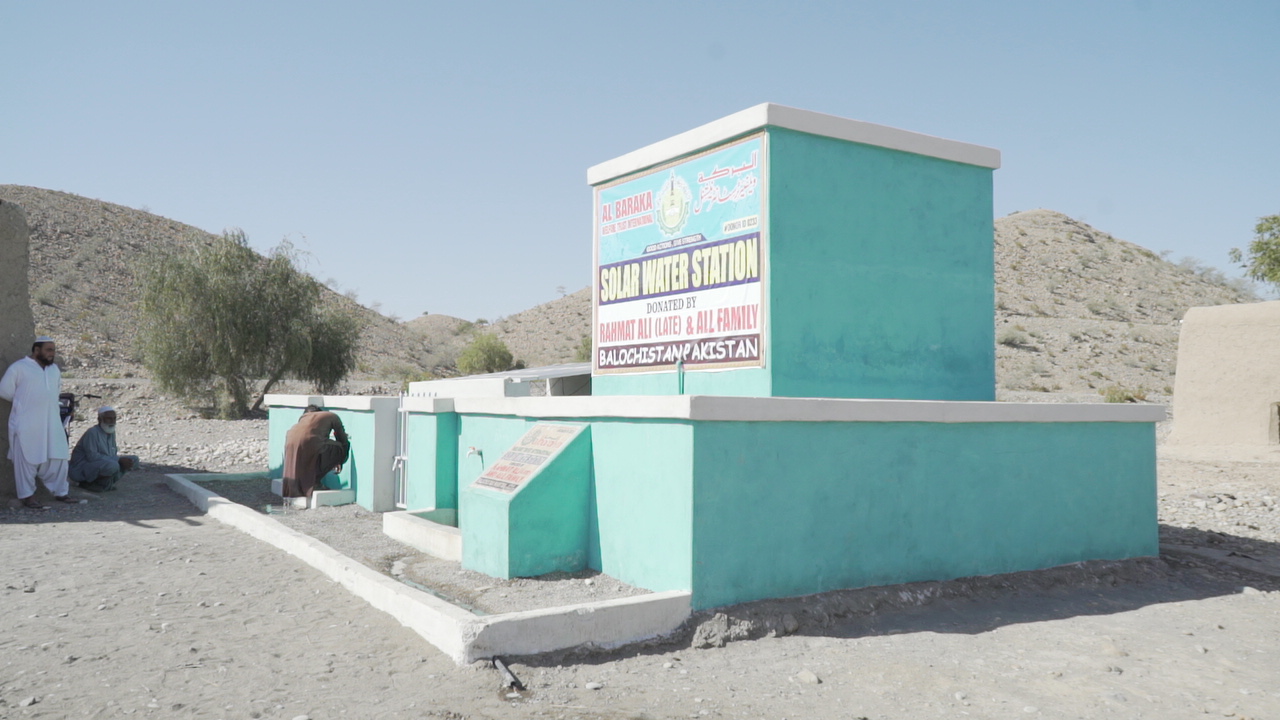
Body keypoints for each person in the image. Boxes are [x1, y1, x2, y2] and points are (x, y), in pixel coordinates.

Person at [0, 336, 80, 509]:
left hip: (51, 423)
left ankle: (61, 493)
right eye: (48, 350)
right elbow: (5, 390)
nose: (52, 353)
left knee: (58, 456)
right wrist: (24, 403)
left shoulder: (54, 371)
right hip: (26, 423)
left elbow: (56, 391)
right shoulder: (19, 368)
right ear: (36, 350)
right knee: (26, 461)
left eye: (53, 350)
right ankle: (28, 496)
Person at [282, 405, 349, 499]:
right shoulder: (331, 416)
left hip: (290, 444)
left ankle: (302, 484)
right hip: (311, 443)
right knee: (339, 447)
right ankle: (314, 483)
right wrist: (341, 458)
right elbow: (342, 438)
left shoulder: (302, 420)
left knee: (307, 454)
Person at [70, 406, 140, 492]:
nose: (112, 421)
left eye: (114, 419)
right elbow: (92, 457)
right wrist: (118, 460)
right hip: (81, 467)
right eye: (109, 419)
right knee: (113, 465)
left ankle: (106, 484)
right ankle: (88, 483)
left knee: (134, 460)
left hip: (102, 463)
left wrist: (119, 460)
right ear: (100, 419)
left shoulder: (110, 431)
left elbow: (111, 454)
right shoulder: (92, 432)